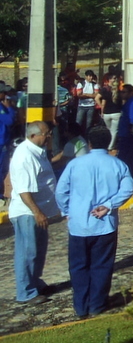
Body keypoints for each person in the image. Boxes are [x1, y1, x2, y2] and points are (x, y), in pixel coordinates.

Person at [54, 125, 133, 319]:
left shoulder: (75, 164)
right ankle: (97, 304)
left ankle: (81, 307)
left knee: (78, 267)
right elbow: (127, 189)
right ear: (108, 142)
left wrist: (67, 211)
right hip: (105, 225)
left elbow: (60, 191)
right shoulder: (118, 165)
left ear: (89, 143)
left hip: (79, 225)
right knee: (102, 266)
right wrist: (109, 205)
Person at [9, 121, 58, 305]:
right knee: (27, 252)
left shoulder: (38, 151)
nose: (49, 137)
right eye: (46, 134)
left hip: (39, 210)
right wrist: (37, 212)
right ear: (33, 136)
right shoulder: (25, 156)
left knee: (38, 250)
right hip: (28, 211)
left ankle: (35, 282)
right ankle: (26, 291)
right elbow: (24, 191)